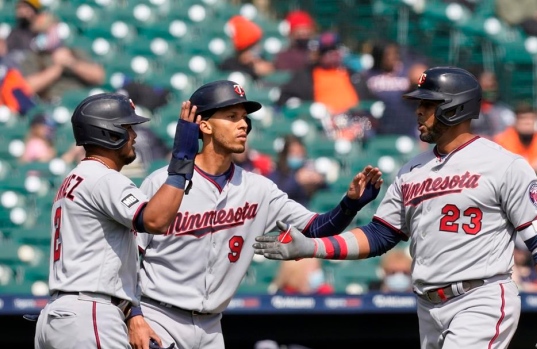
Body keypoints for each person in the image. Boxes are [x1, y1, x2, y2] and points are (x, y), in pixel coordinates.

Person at [254, 66, 537, 349]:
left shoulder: (502, 164)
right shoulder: (412, 170)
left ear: (454, 108)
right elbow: (380, 235)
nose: (418, 112)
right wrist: (311, 246)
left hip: (480, 298)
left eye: (428, 104)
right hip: (428, 307)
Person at [127, 80, 385, 349]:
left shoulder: (259, 188)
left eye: (244, 118)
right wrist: (135, 316)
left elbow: (316, 228)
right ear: (204, 125)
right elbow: (129, 256)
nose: (243, 125)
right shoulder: (163, 184)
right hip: (158, 316)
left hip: (212, 327)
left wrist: (350, 204)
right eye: (231, 117)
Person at [33, 93, 202, 349]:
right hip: (90, 314)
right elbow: (156, 220)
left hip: (59, 316)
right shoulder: (104, 178)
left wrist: (134, 314)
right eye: (128, 128)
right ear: (109, 133)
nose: (134, 136)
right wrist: (181, 160)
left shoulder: (75, 178)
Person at [20, 13, 105, 104]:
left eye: (46, 32)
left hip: (80, 101)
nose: (43, 36)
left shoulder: (74, 51)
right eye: (39, 33)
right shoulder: (34, 57)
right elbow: (28, 87)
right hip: (53, 103)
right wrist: (57, 68)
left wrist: (71, 63)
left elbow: (99, 77)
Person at [365, 41, 428, 137]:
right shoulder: (368, 75)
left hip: (407, 125)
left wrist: (416, 82)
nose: (393, 57)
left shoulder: (408, 72)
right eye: (388, 54)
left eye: (395, 53)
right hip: (378, 127)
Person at [494, 102, 537, 177]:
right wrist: (531, 168)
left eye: (531, 118)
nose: (527, 122)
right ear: (515, 121)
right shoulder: (501, 141)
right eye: (523, 118)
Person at [269, 134, 326, 207]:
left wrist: (319, 181)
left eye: (300, 152)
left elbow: (328, 190)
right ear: (285, 154)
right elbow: (278, 191)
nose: (298, 155)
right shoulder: (277, 173)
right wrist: (297, 180)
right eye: (293, 152)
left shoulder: (308, 168)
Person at [219, 15, 275, 82]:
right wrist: (254, 71)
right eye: (251, 48)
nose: (256, 50)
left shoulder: (262, 58)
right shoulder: (229, 65)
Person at [470, 70, 515, 139]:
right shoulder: (469, 110)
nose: (490, 90)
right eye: (486, 87)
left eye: (492, 86)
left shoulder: (505, 111)